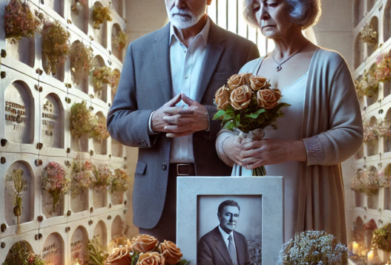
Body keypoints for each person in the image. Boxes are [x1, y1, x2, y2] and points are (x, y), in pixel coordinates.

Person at [107, 0, 260, 241]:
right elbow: (116, 121)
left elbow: (254, 119)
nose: (178, 2)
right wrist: (152, 121)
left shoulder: (242, 50)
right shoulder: (139, 50)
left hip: (217, 188)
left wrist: (209, 118)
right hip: (157, 196)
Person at [215, 0, 363, 244]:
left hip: (305, 196)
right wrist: (228, 147)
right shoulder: (249, 69)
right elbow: (226, 132)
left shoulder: (329, 64)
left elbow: (351, 133)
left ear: (298, 6)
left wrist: (293, 149)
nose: (262, 13)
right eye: (255, 6)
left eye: (271, 3)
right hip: (250, 194)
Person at [197, 200, 251, 265]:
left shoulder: (241, 238)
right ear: (219, 216)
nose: (232, 219)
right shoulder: (206, 241)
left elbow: (247, 263)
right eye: (228, 215)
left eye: (236, 215)